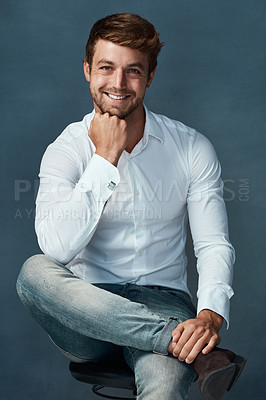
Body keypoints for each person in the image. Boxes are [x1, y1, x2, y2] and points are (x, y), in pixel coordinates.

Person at [16, 12, 246, 400]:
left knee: (165, 386)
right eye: (107, 68)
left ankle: (175, 343)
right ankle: (178, 343)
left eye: (133, 71)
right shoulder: (65, 150)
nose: (118, 84)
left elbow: (213, 245)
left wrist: (208, 316)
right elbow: (57, 249)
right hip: (86, 309)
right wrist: (105, 159)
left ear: (150, 76)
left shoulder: (191, 148)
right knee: (34, 271)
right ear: (88, 70)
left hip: (164, 300)